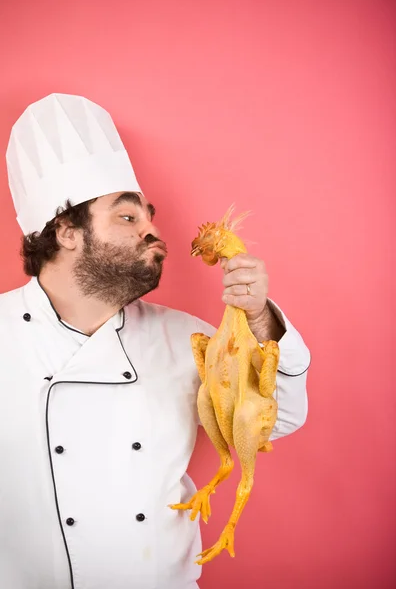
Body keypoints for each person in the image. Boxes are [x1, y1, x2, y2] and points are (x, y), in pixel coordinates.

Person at [0, 94, 311, 589]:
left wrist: (259, 321)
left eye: (149, 216)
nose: (154, 232)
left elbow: (278, 420)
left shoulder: (185, 338)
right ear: (65, 232)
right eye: (128, 218)